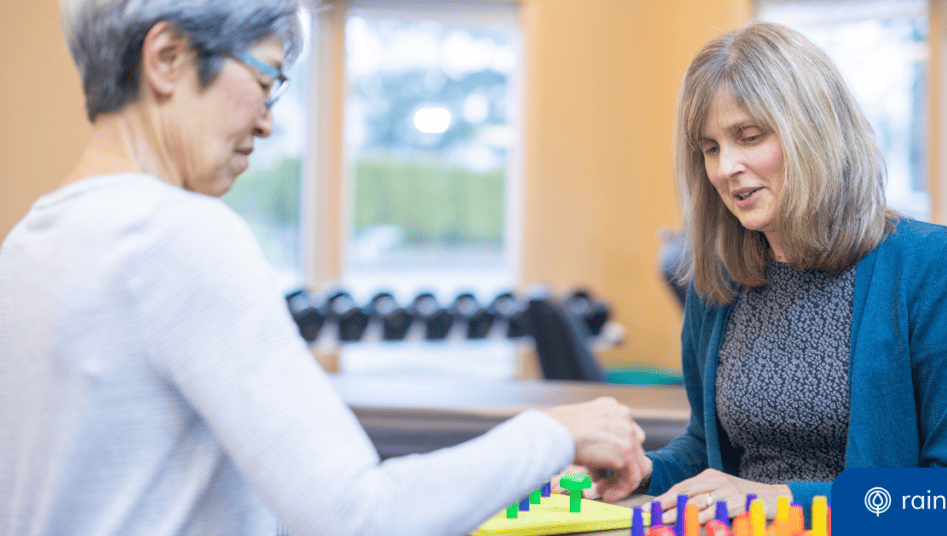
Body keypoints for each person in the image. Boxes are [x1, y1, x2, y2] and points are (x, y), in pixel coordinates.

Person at [0, 2, 648, 535]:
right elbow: (358, 516)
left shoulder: (29, 243)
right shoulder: (178, 235)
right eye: (264, 80)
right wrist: (555, 432)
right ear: (166, 59)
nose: (269, 122)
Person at [574, 21, 947, 524]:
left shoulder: (935, 267)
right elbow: (710, 451)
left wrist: (782, 500)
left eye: (749, 137)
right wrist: (647, 472)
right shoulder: (717, 280)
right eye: (711, 147)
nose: (725, 167)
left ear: (814, 132)